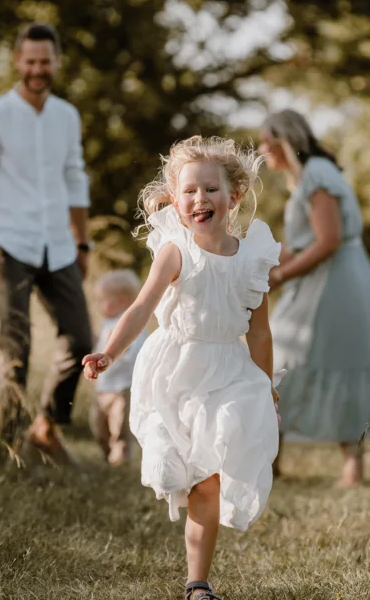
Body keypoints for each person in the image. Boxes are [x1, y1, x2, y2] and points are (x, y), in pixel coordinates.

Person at [82, 136, 281, 600]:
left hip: (229, 372)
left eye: (210, 190)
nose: (199, 200)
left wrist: (266, 386)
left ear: (233, 196)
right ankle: (196, 574)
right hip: (176, 371)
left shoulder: (252, 259)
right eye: (189, 191)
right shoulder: (176, 252)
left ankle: (198, 583)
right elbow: (140, 307)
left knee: (209, 478)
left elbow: (259, 333)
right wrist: (110, 352)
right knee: (186, 477)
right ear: (176, 199)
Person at [0, 22, 93, 459]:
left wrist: (83, 242)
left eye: (45, 61)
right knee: (16, 348)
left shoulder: (66, 116)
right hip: (9, 242)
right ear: (18, 61)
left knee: (82, 339)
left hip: (58, 242)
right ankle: (9, 448)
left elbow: (74, 177)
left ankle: (46, 426)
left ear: (56, 63)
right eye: (30, 61)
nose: (38, 69)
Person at [258, 109, 370, 487]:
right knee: (278, 360)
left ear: (286, 140)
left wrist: (277, 278)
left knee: (341, 362)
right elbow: (299, 246)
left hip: (337, 283)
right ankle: (269, 461)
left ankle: (352, 467)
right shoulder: (304, 179)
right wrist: (255, 271)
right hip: (316, 280)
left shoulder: (319, 176)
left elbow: (327, 242)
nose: (261, 149)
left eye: (266, 141)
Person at [90, 269, 147, 467]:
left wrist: (114, 353)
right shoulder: (107, 323)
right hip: (103, 387)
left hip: (122, 387)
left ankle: (121, 462)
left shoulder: (132, 325)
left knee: (119, 427)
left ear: (122, 300)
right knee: (99, 427)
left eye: (103, 300)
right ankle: (108, 458)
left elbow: (132, 354)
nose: (99, 305)